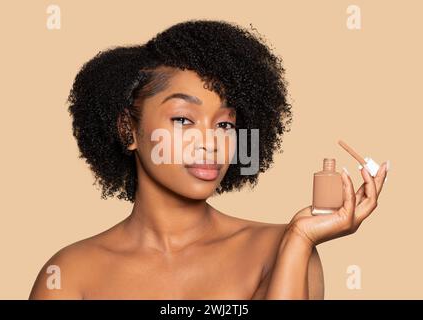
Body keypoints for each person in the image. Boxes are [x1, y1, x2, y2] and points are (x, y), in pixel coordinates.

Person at [29, 19, 388, 299]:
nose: (211, 143)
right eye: (183, 119)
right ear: (128, 130)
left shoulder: (285, 249)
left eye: (225, 124)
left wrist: (299, 240)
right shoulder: (68, 275)